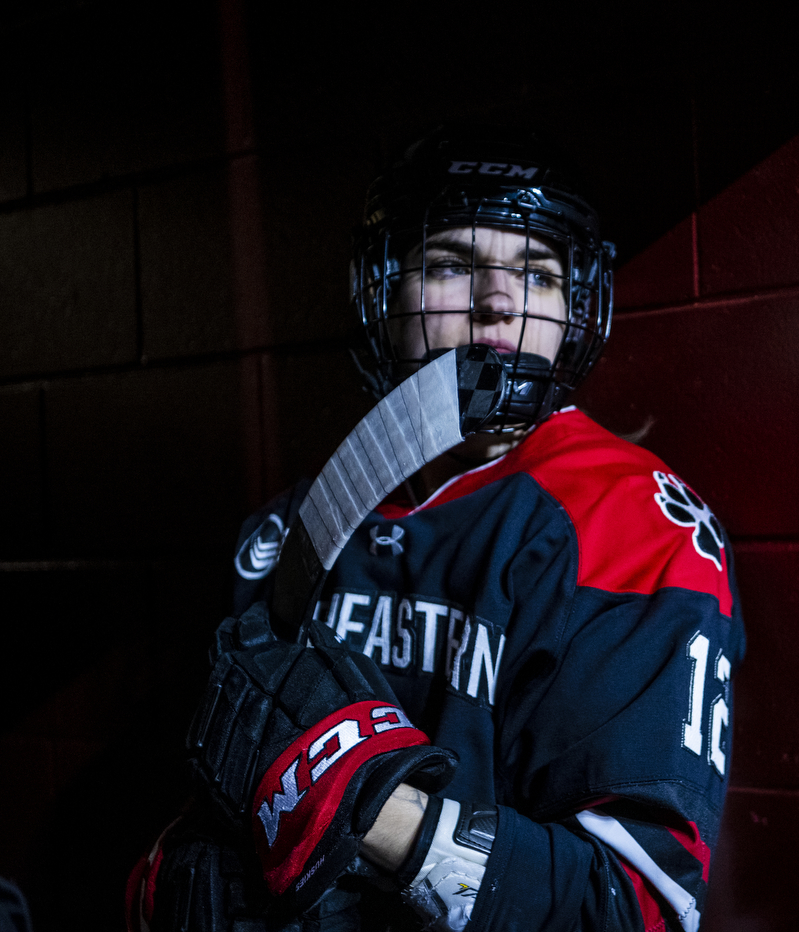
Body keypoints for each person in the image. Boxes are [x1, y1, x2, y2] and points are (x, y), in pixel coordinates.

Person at [126, 124, 744, 932]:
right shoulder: (290, 529)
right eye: (451, 263)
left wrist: (370, 813)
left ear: (575, 309)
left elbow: (632, 909)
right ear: (384, 295)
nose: (497, 300)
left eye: (538, 272)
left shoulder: (629, 530)